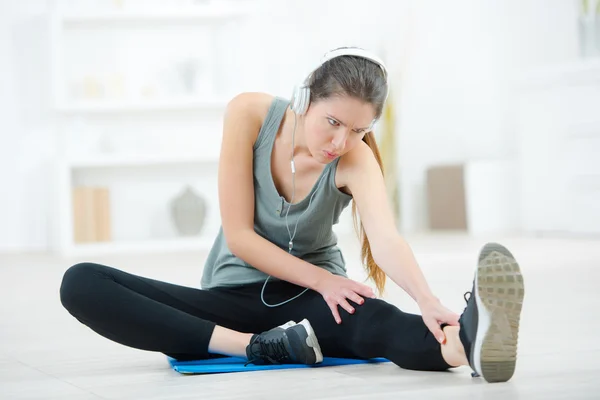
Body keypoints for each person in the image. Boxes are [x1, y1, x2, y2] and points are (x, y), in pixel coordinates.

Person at [59, 47, 525, 383]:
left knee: (375, 321)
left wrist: (425, 299)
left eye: (359, 130)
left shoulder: (355, 158)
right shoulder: (249, 115)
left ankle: (464, 343)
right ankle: (253, 347)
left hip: (308, 302)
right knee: (81, 281)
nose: (340, 142)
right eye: (333, 122)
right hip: (230, 297)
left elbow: (386, 240)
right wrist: (324, 282)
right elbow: (240, 236)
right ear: (305, 100)